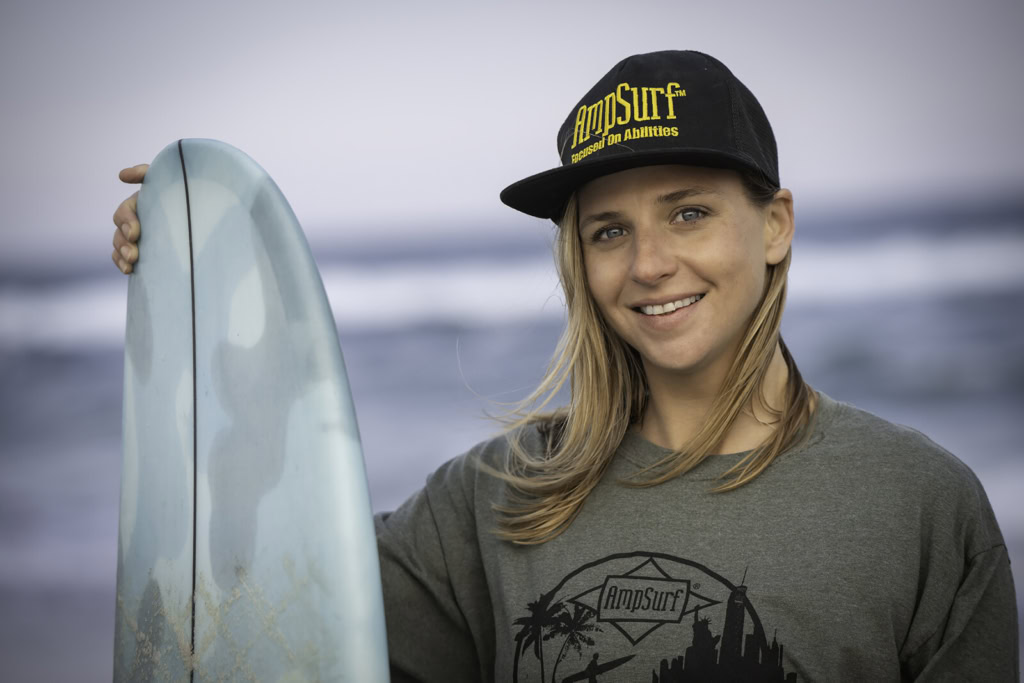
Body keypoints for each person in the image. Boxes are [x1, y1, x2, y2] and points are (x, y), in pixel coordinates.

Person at [111, 50, 1018, 681]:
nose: (649, 262)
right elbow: (274, 612)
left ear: (774, 223)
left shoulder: (918, 505)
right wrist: (192, 257)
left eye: (689, 212)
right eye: (608, 231)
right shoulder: (498, 498)